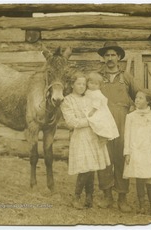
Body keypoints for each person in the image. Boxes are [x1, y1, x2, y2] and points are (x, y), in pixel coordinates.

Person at [96, 41, 140, 213]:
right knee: (104, 158)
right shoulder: (97, 77)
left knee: (121, 158)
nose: (110, 58)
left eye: (113, 55)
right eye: (107, 55)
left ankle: (122, 197)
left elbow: (139, 95)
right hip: (102, 122)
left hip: (123, 121)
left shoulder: (126, 77)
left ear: (119, 57)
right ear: (103, 58)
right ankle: (107, 196)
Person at [60, 72, 111, 209]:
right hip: (81, 137)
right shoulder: (68, 100)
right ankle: (76, 197)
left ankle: (89, 197)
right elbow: (71, 122)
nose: (82, 86)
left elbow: (100, 113)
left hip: (93, 135)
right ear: (72, 85)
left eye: (84, 83)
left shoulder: (89, 98)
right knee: (85, 168)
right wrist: (90, 121)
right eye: (78, 83)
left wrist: (98, 126)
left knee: (92, 167)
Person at [123, 88, 151, 216]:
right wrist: (127, 152)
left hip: (149, 151)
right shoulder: (130, 116)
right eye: (136, 97)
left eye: (141, 98)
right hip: (135, 151)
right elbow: (127, 135)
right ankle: (141, 206)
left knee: (149, 178)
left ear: (148, 101)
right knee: (139, 178)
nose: (137, 100)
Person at [85, 72, 119, 144]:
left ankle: (103, 137)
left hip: (97, 110)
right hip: (90, 108)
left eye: (96, 84)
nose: (93, 86)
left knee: (99, 122)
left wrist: (93, 111)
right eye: (91, 83)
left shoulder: (97, 93)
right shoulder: (87, 91)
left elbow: (96, 103)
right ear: (87, 83)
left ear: (100, 86)